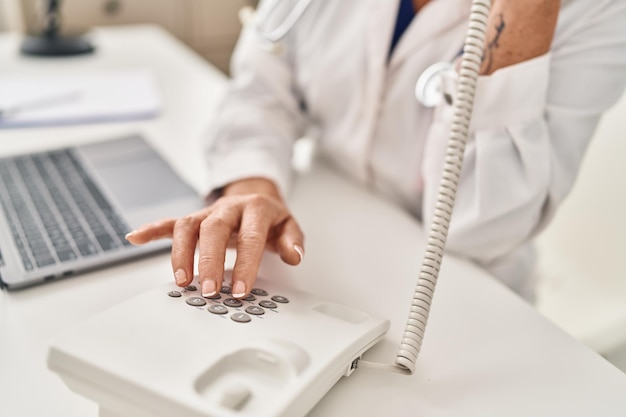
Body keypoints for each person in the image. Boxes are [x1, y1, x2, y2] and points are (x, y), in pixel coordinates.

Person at [126, 0, 626, 302]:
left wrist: (521, 17)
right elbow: (261, 91)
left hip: (463, 296)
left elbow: (477, 226)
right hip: (322, 251)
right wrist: (252, 187)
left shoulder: (598, 12)